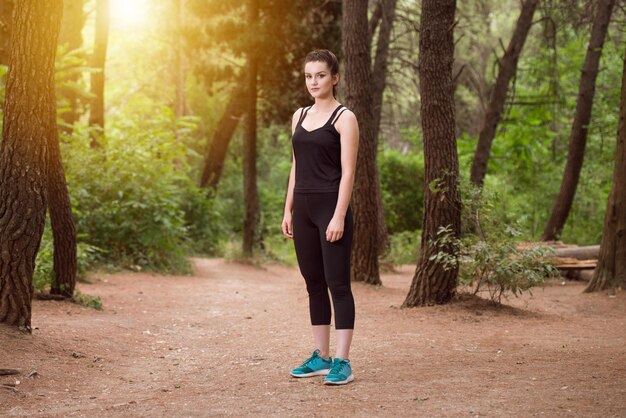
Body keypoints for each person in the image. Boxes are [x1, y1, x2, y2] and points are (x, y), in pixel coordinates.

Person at [281, 49, 359, 385]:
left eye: (321, 75)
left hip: (331, 207)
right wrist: (288, 209)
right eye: (309, 76)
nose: (314, 82)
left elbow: (349, 172)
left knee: (337, 284)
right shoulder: (298, 115)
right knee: (314, 284)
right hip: (304, 209)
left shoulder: (345, 118)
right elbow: (296, 165)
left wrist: (339, 215)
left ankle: (343, 362)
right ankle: (321, 358)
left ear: (335, 78)